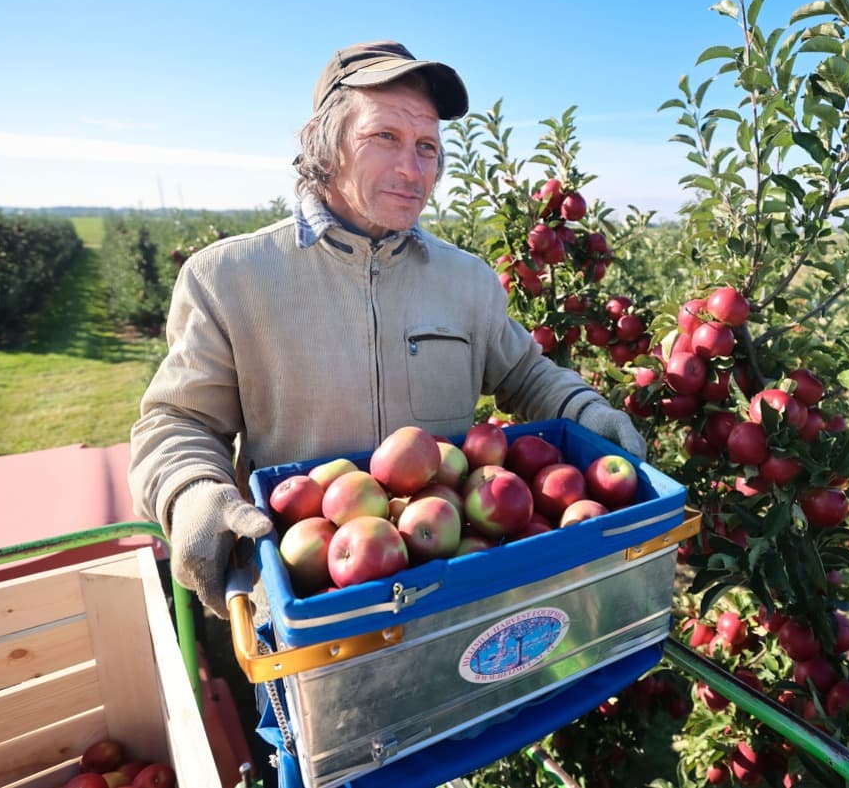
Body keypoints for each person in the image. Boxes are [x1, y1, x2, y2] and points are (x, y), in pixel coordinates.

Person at [127, 40, 647, 622]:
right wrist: (191, 491)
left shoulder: (466, 280)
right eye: (385, 138)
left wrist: (585, 412)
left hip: (456, 595)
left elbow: (524, 373)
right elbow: (178, 420)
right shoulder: (228, 279)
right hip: (314, 610)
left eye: (427, 146)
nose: (413, 168)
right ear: (324, 143)